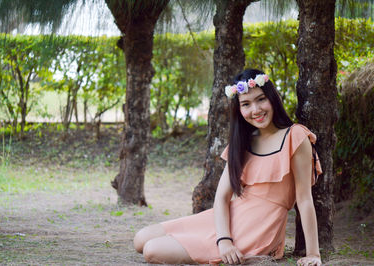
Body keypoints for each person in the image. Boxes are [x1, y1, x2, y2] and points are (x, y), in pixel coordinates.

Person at [133, 69, 323, 265]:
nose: (256, 110)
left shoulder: (295, 136)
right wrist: (224, 240)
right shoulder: (241, 143)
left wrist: (313, 254)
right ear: (239, 109)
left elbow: (304, 199)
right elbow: (222, 198)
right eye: (246, 104)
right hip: (229, 219)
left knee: (151, 250)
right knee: (141, 238)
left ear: (273, 99)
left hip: (258, 229)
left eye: (261, 99)